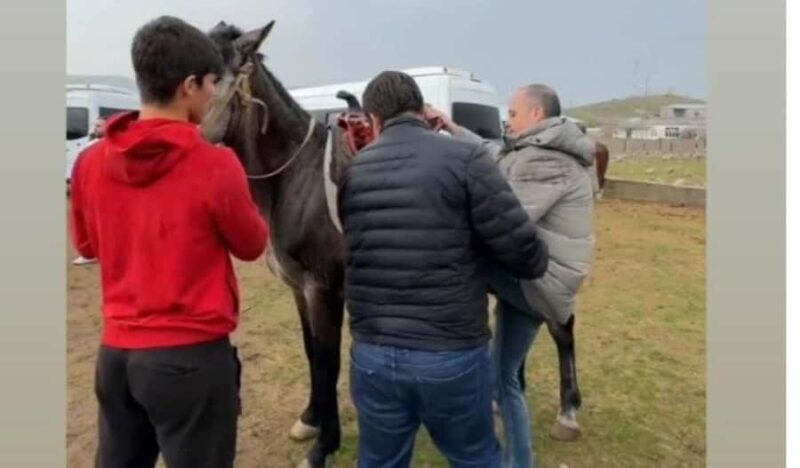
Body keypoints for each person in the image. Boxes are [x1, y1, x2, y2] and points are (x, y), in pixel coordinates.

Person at [69, 16, 269, 468]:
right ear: (189, 85)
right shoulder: (216, 164)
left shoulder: (88, 164)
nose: (216, 94)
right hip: (192, 360)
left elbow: (87, 245)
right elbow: (253, 244)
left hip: (117, 355)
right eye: (213, 83)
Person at [338, 70, 549, 467]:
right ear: (422, 110)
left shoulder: (355, 170)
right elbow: (525, 252)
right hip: (449, 354)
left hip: (373, 355)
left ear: (375, 120)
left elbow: (358, 247)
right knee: (475, 458)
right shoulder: (465, 158)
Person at [425, 84, 596, 467]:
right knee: (505, 379)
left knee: (456, 265)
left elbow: (503, 220)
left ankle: (427, 363)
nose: (508, 120)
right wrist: (451, 126)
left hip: (538, 282)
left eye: (513, 114)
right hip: (532, 275)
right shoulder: (533, 149)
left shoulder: (546, 162)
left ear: (536, 115)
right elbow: (492, 152)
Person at [72, 117, 106, 266]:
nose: (95, 128)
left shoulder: (95, 150)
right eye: (95, 126)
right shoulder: (89, 148)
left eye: (99, 126)